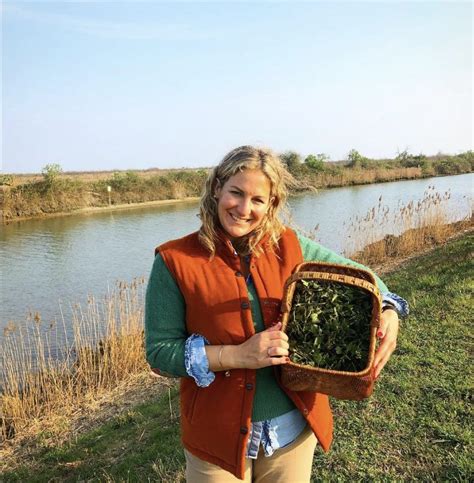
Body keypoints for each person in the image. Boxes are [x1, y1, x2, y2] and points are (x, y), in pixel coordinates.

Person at [145, 145, 408, 482]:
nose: (243, 208)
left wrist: (389, 307)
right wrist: (238, 355)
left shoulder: (290, 245)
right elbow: (159, 353)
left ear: (272, 204)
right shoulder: (174, 261)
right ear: (216, 189)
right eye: (235, 193)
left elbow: (360, 276)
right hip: (215, 438)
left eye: (258, 200)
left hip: (292, 432)